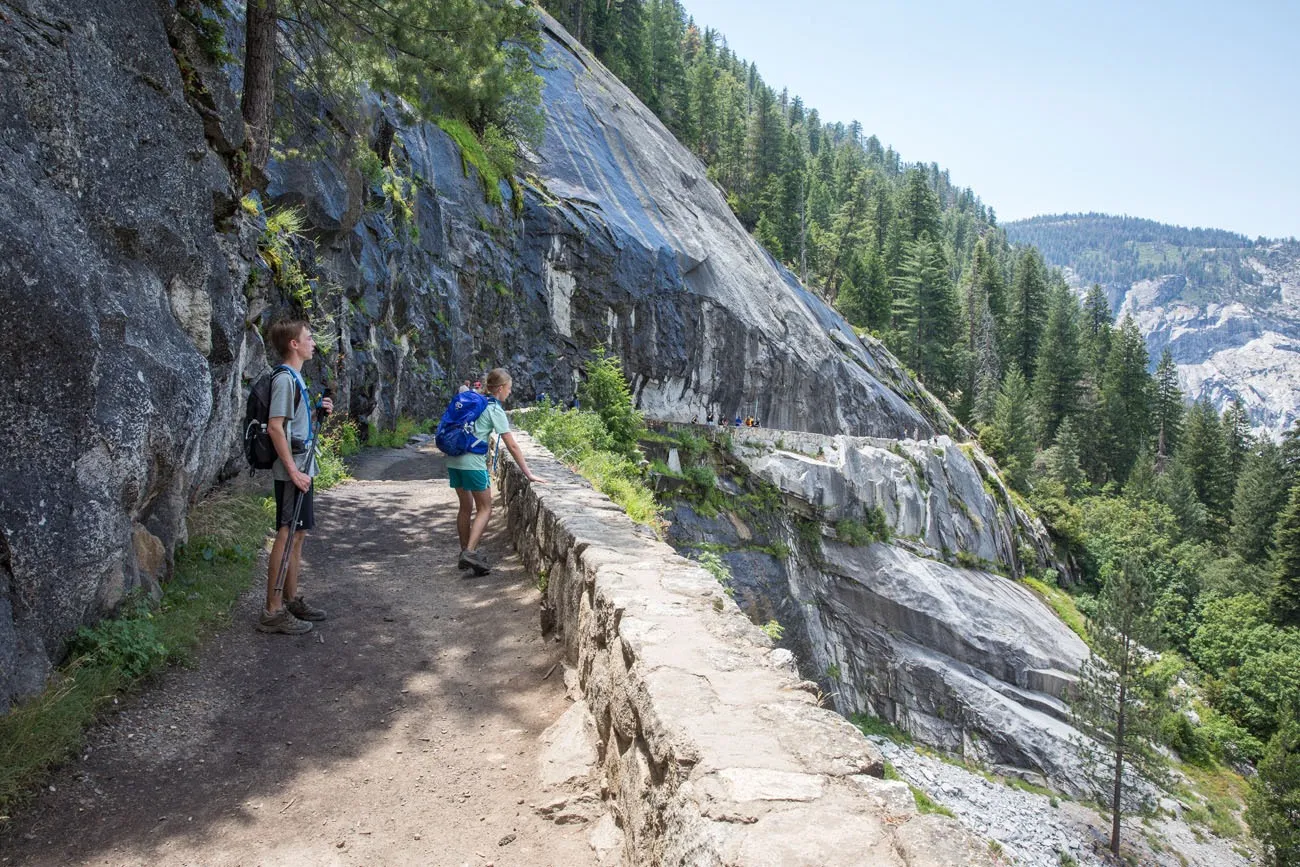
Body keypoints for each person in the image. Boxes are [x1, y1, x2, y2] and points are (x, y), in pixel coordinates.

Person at [259, 318, 333, 634]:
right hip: (293, 472)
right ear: (294, 344)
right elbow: (275, 427)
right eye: (308, 337)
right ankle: (272, 612)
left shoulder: (296, 380)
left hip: (302, 469)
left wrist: (318, 415)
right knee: (286, 534)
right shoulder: (284, 380)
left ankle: (290, 600)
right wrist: (292, 471)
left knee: (297, 534)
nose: (313, 342)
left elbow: (293, 427)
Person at [446, 368, 544, 575]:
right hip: (473, 462)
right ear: (500, 388)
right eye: (508, 389)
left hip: (454, 459)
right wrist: (529, 473)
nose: (509, 393)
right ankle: (470, 552)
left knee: (465, 507)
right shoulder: (493, 409)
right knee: (485, 508)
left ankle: (465, 551)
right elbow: (512, 445)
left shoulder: (474, 401)